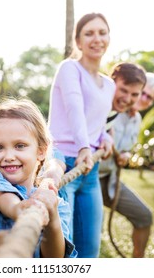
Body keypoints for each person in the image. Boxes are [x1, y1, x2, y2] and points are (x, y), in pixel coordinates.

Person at [0, 98, 76, 258]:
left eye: (20, 146)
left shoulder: (57, 204)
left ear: (41, 151)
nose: (9, 156)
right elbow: (2, 194)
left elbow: (55, 259)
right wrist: (17, 209)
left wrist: (52, 217)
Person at [48, 13, 115, 257]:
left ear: (109, 38)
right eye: (89, 33)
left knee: (90, 249)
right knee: (64, 250)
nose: (97, 39)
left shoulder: (109, 85)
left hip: (90, 170)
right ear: (78, 41)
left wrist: (104, 139)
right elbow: (74, 110)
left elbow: (97, 122)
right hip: (64, 163)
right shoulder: (69, 68)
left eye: (102, 32)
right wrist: (84, 147)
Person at [99, 72, 154, 258]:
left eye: (149, 97)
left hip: (110, 179)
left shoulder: (136, 120)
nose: (143, 99)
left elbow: (127, 149)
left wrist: (126, 155)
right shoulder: (112, 109)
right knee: (93, 227)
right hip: (89, 177)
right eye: (142, 93)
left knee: (144, 216)